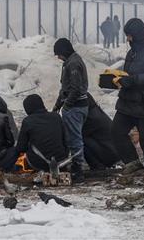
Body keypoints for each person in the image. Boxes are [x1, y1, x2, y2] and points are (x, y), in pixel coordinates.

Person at [111, 18, 144, 184]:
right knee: (115, 131)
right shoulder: (132, 52)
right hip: (128, 102)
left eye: (130, 35)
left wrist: (133, 80)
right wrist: (119, 79)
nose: (128, 39)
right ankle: (133, 163)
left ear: (138, 35)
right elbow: (130, 75)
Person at [52, 38, 88, 183]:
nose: (58, 57)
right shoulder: (69, 62)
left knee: (74, 139)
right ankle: (75, 164)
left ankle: (79, 169)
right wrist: (57, 106)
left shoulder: (73, 64)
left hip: (76, 107)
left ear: (64, 51)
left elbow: (75, 89)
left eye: (58, 54)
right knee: (73, 137)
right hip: (75, 106)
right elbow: (65, 89)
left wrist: (66, 106)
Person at [16, 94, 69, 172]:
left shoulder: (28, 121)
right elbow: (66, 140)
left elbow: (21, 147)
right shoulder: (56, 117)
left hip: (38, 163)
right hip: (61, 161)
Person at [83, 93, 120, 170]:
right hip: (115, 152)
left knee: (79, 140)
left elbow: (77, 135)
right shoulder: (96, 113)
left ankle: (97, 166)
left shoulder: (92, 118)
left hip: (110, 154)